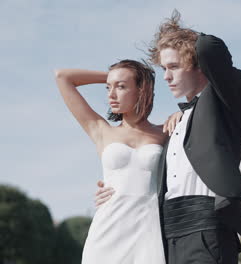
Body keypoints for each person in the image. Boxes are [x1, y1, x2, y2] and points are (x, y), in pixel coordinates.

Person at [96, 10, 241, 264]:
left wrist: (177, 38)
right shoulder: (177, 122)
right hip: (164, 234)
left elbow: (208, 47)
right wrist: (115, 190)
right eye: (163, 68)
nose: (166, 77)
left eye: (174, 67)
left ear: (199, 66)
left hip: (206, 230)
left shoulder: (229, 100)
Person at [55, 60, 169, 263]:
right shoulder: (101, 130)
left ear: (142, 90)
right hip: (108, 227)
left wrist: (180, 114)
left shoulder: (165, 132)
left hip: (148, 230)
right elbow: (63, 77)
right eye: (109, 87)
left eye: (121, 87)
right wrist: (113, 76)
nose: (111, 94)